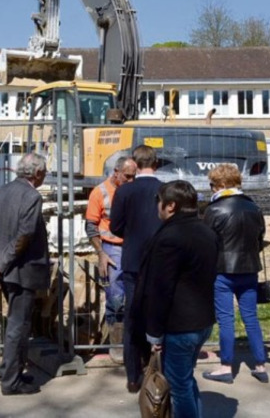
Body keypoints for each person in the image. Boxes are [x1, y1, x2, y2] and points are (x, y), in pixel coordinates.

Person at [132, 180, 218, 418]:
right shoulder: (206, 231)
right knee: (186, 381)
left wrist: (154, 332)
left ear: (170, 206)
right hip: (201, 321)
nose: (157, 207)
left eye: (159, 202)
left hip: (179, 326)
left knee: (179, 388)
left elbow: (161, 289)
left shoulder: (170, 237)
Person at [0, 152, 51, 396]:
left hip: (5, 269)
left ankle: (10, 370)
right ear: (37, 173)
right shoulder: (32, 196)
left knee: (17, 323)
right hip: (21, 270)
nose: (45, 176)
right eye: (45, 172)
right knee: (18, 325)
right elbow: (24, 235)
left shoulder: (0, 191)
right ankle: (11, 382)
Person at [201, 163, 269, 384]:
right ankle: (260, 364)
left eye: (212, 184)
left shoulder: (214, 209)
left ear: (220, 185)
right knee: (251, 317)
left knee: (226, 319)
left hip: (222, 271)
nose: (211, 189)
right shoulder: (253, 207)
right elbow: (260, 238)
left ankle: (226, 367)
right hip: (249, 269)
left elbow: (207, 242)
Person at [109, 144, 163, 392]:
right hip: (161, 260)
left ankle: (133, 377)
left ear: (135, 163)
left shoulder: (124, 191)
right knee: (161, 314)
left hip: (132, 260)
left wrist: (130, 233)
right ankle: (160, 370)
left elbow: (115, 227)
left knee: (132, 317)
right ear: (156, 162)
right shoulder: (165, 189)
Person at [85, 156, 137, 355]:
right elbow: (91, 226)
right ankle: (116, 344)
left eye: (134, 176)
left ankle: (132, 343)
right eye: (127, 176)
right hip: (112, 248)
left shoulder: (133, 190)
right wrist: (101, 253)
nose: (131, 180)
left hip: (133, 246)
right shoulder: (100, 192)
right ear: (116, 172)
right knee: (115, 297)